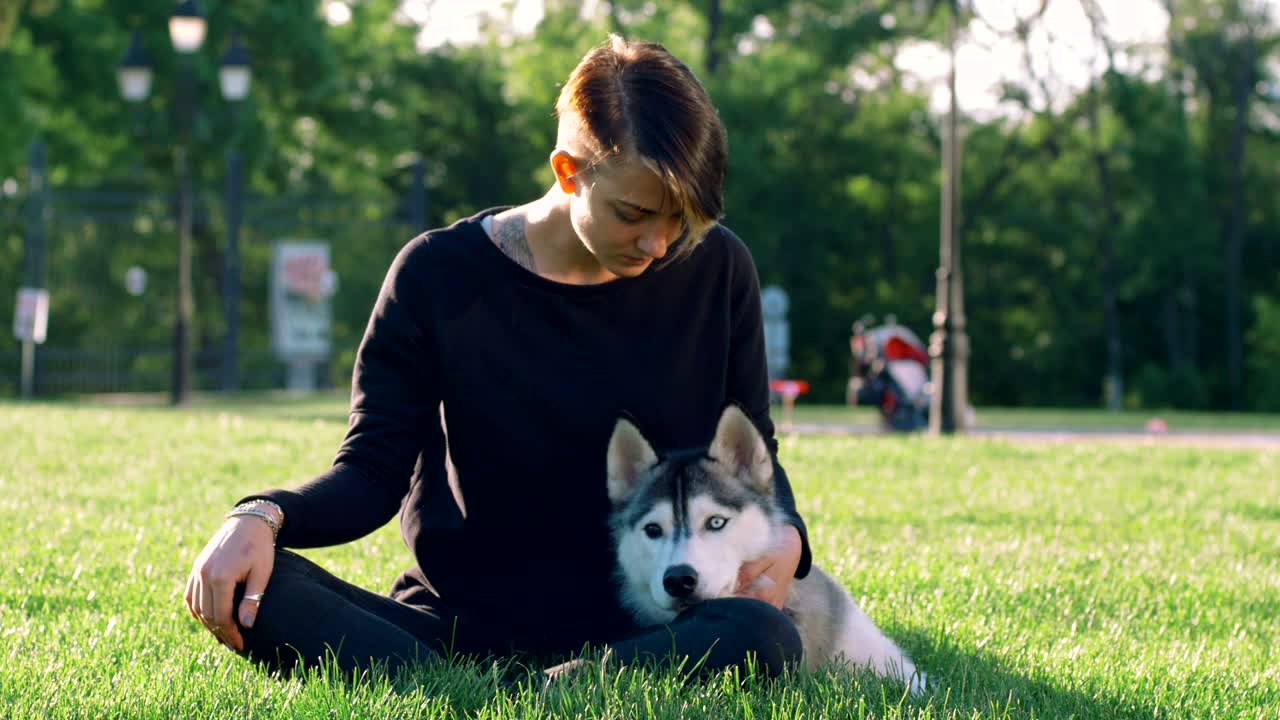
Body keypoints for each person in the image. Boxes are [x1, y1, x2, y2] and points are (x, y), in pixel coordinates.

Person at [184, 35, 813, 682]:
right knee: (258, 587)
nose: (659, 243)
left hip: (650, 623)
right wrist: (261, 514)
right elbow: (371, 473)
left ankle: (512, 694)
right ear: (569, 172)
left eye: (681, 220)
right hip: (462, 625)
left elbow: (753, 450)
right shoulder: (436, 274)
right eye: (635, 214)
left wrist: (788, 533)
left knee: (761, 635)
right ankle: (529, 692)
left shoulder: (718, 269)